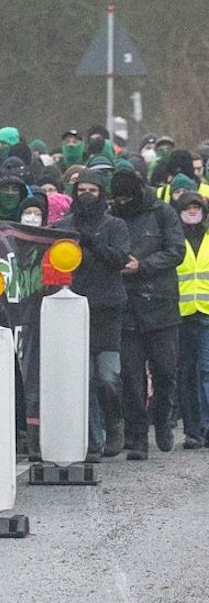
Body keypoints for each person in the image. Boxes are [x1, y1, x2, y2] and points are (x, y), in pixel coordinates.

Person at [57, 172, 133, 458]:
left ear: (102, 193)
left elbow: (120, 258)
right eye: (82, 189)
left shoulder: (115, 225)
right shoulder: (64, 226)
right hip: (73, 309)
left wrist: (92, 243)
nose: (86, 195)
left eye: (92, 189)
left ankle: (114, 424)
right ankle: (92, 438)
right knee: (83, 378)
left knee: (107, 376)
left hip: (108, 309)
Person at [111, 168, 185, 457]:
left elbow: (176, 250)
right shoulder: (113, 217)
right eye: (119, 197)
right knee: (130, 377)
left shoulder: (162, 213)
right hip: (126, 307)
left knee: (165, 372)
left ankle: (163, 417)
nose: (124, 202)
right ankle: (138, 438)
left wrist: (142, 266)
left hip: (161, 306)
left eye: (128, 196)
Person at [176, 190, 209, 447]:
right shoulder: (174, 240)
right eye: (188, 207)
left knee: (206, 372)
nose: (192, 211)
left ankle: (206, 427)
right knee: (186, 374)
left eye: (197, 207)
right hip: (181, 316)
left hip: (207, 315)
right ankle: (193, 431)